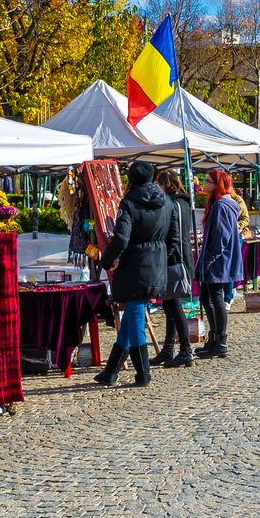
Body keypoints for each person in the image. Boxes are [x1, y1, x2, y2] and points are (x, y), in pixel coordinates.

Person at [96, 163, 172, 386]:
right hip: (157, 260)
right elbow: (173, 234)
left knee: (136, 318)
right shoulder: (165, 200)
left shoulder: (128, 203)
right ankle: (111, 371)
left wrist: (107, 260)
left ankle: (143, 373)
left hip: (135, 265)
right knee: (131, 318)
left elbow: (121, 238)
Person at [196, 169, 244, 359]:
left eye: (207, 181)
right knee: (206, 298)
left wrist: (208, 261)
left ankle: (220, 341)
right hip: (218, 258)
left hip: (219, 260)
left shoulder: (222, 206)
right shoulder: (220, 204)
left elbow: (220, 239)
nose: (204, 183)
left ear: (217, 184)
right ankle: (214, 339)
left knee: (216, 299)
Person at [150, 168, 195, 367]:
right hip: (177, 257)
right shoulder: (182, 202)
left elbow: (174, 236)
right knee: (169, 306)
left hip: (176, 260)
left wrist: (164, 258)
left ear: (164, 184)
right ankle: (168, 349)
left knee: (174, 307)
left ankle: (185, 350)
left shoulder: (175, 204)